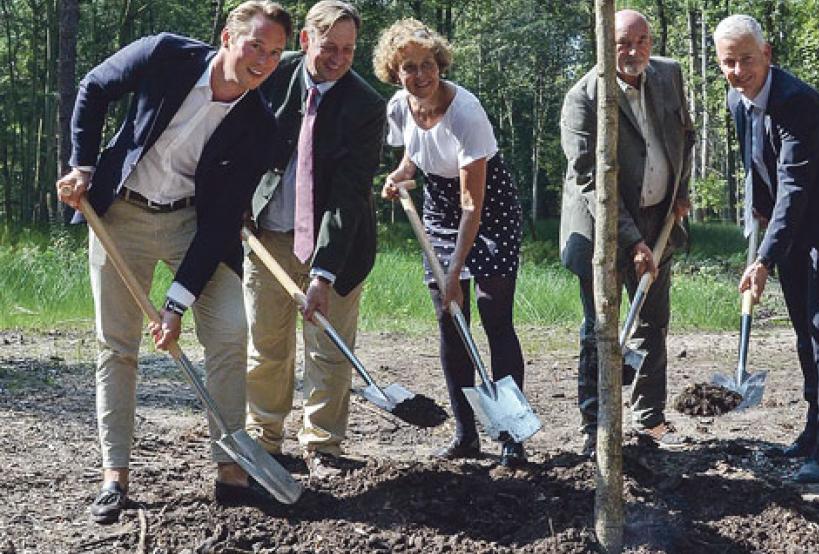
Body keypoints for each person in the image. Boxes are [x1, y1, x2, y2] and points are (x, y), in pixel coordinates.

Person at [54, 0, 290, 523]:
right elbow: (94, 87)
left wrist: (176, 303)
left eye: (275, 54)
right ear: (228, 37)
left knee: (229, 332)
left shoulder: (260, 125)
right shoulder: (165, 54)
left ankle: (231, 472)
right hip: (121, 215)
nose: (264, 61)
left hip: (194, 227)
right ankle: (115, 475)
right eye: (256, 45)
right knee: (117, 346)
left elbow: (222, 220)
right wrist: (84, 166)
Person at [713, 15, 819, 483]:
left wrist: (765, 258)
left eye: (746, 59)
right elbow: (757, 167)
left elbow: (794, 187)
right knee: (800, 325)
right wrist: (759, 228)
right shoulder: (736, 98)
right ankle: (812, 430)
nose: (738, 70)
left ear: (766, 55)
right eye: (728, 62)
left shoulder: (798, 103)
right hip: (796, 224)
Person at [373, 19, 527, 468]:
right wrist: (400, 177)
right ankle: (465, 434)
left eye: (427, 65)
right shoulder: (399, 107)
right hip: (440, 212)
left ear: (439, 63)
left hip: (487, 209)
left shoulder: (466, 112)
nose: (420, 75)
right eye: (409, 68)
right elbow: (411, 158)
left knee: (493, 311)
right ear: (394, 72)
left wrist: (455, 271)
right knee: (449, 319)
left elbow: (471, 205)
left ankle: (512, 435)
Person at [243, 0, 385, 479]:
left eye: (348, 50)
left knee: (328, 347)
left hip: (338, 245)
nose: (339, 59)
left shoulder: (366, 106)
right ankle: (264, 439)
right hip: (269, 235)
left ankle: (324, 446)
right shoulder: (269, 75)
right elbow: (236, 139)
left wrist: (324, 273)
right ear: (306, 40)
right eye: (330, 48)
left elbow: (347, 198)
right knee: (268, 344)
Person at [559, 9, 695, 457]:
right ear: (603, 41)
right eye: (622, 42)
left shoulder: (668, 75)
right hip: (602, 228)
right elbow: (590, 180)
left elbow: (685, 136)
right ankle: (595, 422)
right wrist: (632, 240)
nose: (634, 51)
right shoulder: (584, 97)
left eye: (642, 41)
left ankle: (649, 418)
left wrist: (680, 190)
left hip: (660, 219)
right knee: (600, 327)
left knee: (653, 322)